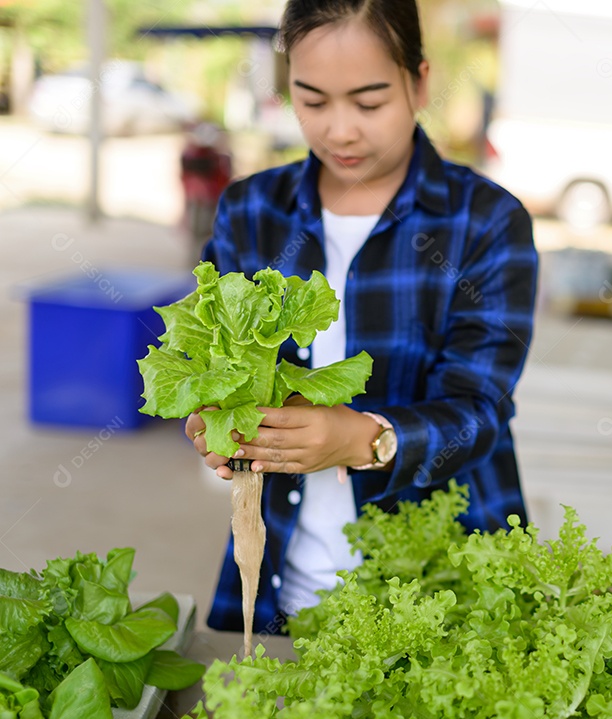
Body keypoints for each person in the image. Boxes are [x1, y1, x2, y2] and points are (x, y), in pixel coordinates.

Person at [185, 0, 538, 634]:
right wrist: (221, 425)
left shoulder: (484, 221)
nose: (340, 130)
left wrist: (364, 439)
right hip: (283, 582)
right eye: (313, 101)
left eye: (369, 103)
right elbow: (216, 366)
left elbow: (480, 409)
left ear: (420, 83)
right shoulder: (251, 210)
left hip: (445, 584)